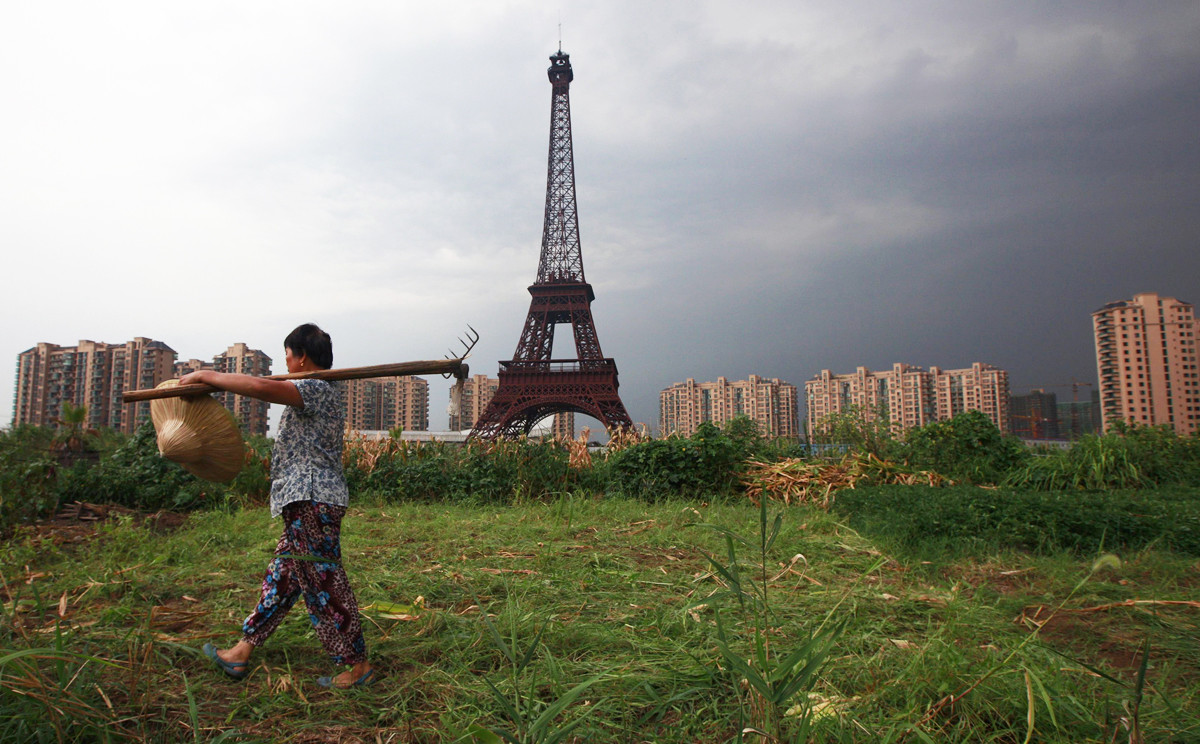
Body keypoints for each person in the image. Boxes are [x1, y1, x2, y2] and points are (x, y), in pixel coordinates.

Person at [182, 323, 373, 689]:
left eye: (287, 354)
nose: (286, 361)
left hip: (312, 500)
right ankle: (241, 651)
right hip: (303, 502)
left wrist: (210, 376)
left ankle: (356, 665)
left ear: (301, 357)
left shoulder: (316, 389)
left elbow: (257, 387)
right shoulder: (318, 391)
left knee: (323, 583)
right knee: (282, 580)